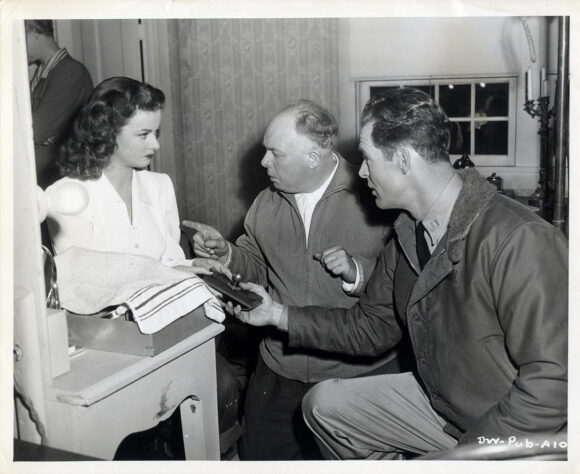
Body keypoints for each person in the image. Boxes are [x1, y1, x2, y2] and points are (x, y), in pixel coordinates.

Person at [232, 88, 568, 459]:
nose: (360, 172)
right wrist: (277, 314)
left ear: (404, 160)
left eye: (367, 158)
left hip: (514, 428)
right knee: (324, 404)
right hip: (444, 407)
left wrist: (466, 458)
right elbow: (369, 329)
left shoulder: (519, 237)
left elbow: (555, 383)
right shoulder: (409, 233)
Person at [184, 99, 405, 460]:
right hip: (279, 366)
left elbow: (400, 285)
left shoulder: (376, 196)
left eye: (275, 153)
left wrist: (358, 270)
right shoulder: (266, 203)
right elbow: (255, 264)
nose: (263, 162)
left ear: (314, 159)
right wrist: (226, 254)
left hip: (356, 373)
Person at [46, 76, 241, 459]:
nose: (155, 144)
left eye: (157, 132)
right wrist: (162, 273)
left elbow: (167, 262)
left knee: (222, 385)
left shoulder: (159, 186)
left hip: (166, 330)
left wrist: (191, 266)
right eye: (143, 134)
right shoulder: (69, 195)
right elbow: (80, 284)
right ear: (107, 132)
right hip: (109, 343)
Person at [25, 20, 94, 189]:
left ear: (34, 33)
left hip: (59, 179)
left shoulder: (70, 72)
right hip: (44, 176)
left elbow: (36, 129)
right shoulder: (44, 73)